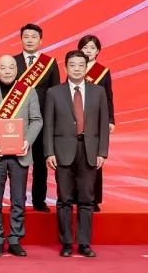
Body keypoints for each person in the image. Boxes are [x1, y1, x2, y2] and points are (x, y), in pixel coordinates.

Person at [45, 50, 110, 258]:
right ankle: (66, 243)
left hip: (89, 150)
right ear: (66, 67)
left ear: (86, 67)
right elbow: (48, 125)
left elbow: (103, 124)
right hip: (62, 151)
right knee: (64, 199)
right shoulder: (54, 92)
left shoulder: (98, 92)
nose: (77, 69)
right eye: (72, 65)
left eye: (81, 65)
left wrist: (102, 152)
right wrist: (49, 152)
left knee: (86, 199)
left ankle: (84, 243)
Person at [0, 55, 42, 257]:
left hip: (20, 154)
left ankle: (15, 239)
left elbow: (37, 120)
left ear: (17, 69)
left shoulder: (28, 92)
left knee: (18, 200)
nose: (7, 71)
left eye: (11, 67)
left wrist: (27, 141)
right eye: (3, 67)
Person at [14, 23, 60, 212]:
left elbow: (55, 93)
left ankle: (39, 200)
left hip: (41, 120)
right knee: (18, 163)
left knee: (41, 163)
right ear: (21, 39)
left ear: (40, 40)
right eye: (26, 37)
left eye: (34, 37)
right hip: (17, 121)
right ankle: (18, 200)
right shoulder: (13, 62)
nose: (30, 40)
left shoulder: (49, 63)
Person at [78, 34, 115, 212]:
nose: (88, 51)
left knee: (94, 160)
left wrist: (110, 120)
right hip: (77, 120)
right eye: (85, 48)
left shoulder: (103, 71)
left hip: (97, 120)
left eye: (92, 48)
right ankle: (78, 197)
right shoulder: (75, 67)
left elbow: (108, 97)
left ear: (98, 51)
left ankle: (93, 199)